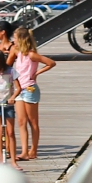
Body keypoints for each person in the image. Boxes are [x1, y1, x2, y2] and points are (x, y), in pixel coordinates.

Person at [10, 26, 54, 161]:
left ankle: (33, 149)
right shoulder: (17, 53)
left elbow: (51, 63)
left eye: (15, 39)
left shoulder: (32, 54)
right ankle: (24, 151)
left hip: (30, 89)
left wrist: (36, 73)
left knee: (33, 121)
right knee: (21, 121)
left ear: (21, 40)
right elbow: (7, 65)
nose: (13, 41)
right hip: (19, 89)